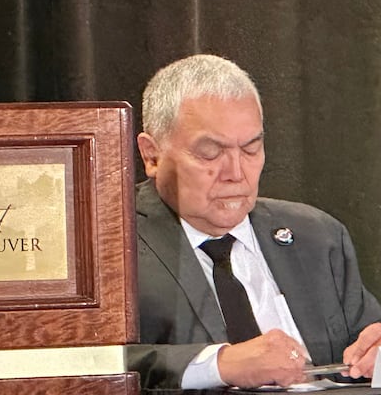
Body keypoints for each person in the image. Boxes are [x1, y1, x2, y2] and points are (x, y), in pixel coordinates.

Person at [129, 53, 381, 391]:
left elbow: (367, 339)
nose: (236, 174)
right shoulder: (110, 243)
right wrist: (219, 365)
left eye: (250, 149)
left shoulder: (318, 236)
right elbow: (71, 364)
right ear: (152, 155)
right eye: (210, 153)